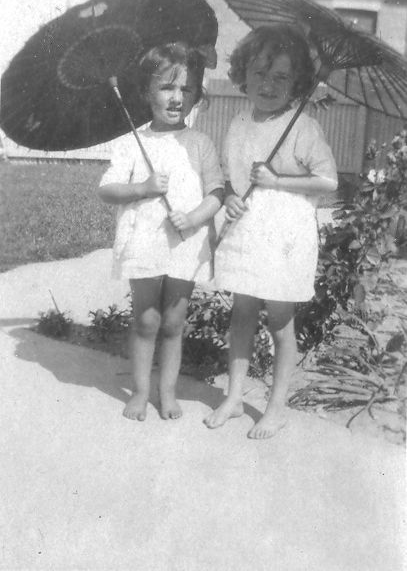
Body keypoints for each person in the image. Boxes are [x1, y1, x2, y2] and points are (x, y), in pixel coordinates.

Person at [204, 25, 338, 439]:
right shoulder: (240, 122)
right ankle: (233, 396)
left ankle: (276, 408)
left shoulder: (303, 127)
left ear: (297, 84)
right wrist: (230, 197)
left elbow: (328, 181)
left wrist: (277, 180)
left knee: (280, 321)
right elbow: (232, 176)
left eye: (281, 77)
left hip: (283, 237)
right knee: (242, 314)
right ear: (242, 75)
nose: (268, 84)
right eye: (260, 73)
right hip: (247, 231)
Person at [99, 42, 224, 422]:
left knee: (172, 322)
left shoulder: (200, 143)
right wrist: (142, 188)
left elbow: (217, 191)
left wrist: (195, 217)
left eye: (186, 89)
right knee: (146, 320)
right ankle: (140, 391)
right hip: (144, 242)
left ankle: (167, 392)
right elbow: (107, 190)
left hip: (184, 243)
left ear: (196, 95)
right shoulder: (131, 143)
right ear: (146, 92)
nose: (176, 98)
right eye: (167, 87)